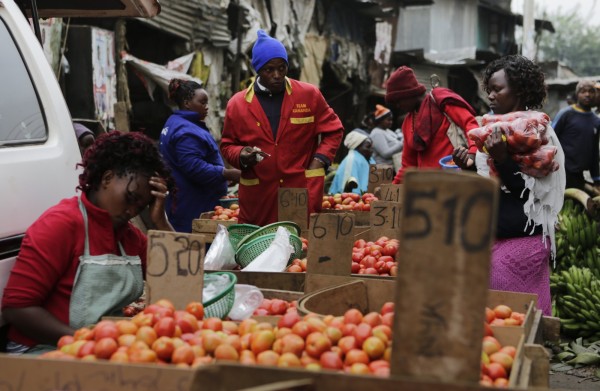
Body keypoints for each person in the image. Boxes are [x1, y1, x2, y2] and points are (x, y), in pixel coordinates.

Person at [1, 131, 174, 354]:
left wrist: (160, 221)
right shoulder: (60, 225)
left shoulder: (129, 236)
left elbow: (177, 281)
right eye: (130, 198)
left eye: (141, 207)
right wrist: (86, 340)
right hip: (42, 349)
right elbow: (17, 308)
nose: (132, 211)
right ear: (107, 178)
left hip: (102, 347)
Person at [453, 55, 565, 316]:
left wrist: (502, 158)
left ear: (521, 90)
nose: (491, 96)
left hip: (524, 240)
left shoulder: (539, 131)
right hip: (494, 234)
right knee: (497, 315)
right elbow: (490, 187)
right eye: (489, 89)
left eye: (498, 89)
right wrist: (469, 167)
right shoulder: (493, 129)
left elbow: (532, 194)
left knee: (511, 312)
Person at [220, 29, 343, 226]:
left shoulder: (309, 95)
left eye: (282, 68)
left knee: (300, 248)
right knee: (261, 250)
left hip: (301, 190)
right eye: (269, 70)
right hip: (259, 197)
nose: (277, 75)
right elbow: (227, 145)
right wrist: (242, 154)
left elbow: (334, 130)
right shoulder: (238, 104)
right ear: (257, 70)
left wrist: (319, 161)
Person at [160, 78, 240, 232]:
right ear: (187, 103)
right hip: (193, 205)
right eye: (202, 102)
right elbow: (194, 167)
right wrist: (227, 173)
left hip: (186, 201)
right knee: (196, 249)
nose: (206, 107)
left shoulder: (176, 122)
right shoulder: (185, 131)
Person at [384, 66, 479, 184]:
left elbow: (470, 124)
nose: (397, 106)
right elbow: (408, 166)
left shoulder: (440, 101)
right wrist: (390, 190)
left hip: (454, 183)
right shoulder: (407, 123)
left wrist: (472, 153)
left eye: (398, 100)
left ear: (409, 94)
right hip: (427, 190)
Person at [551, 80, 600, 190]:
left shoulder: (596, 121)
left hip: (579, 175)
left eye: (591, 91)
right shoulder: (566, 114)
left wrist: (596, 178)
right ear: (577, 94)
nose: (587, 94)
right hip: (560, 172)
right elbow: (551, 138)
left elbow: (594, 151)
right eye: (583, 91)